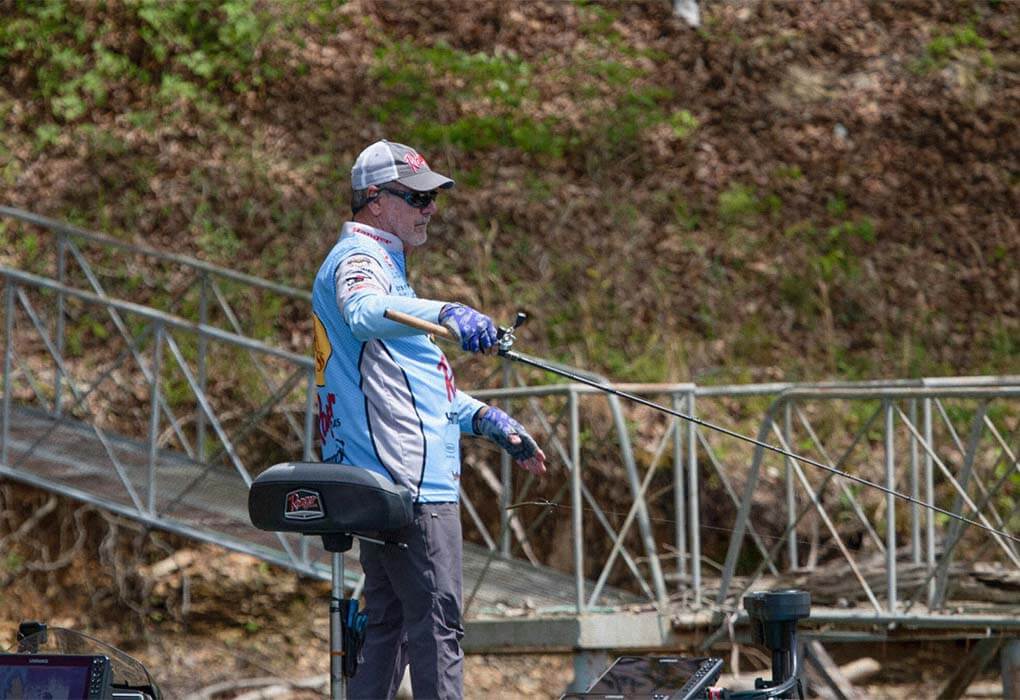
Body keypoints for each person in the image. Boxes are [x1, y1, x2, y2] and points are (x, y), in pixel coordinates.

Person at [312, 139, 547, 699]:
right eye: (415, 198)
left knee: (389, 627)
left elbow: (416, 390)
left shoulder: (390, 270)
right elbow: (363, 312)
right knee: (439, 627)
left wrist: (488, 420)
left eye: (432, 198)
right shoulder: (359, 261)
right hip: (411, 484)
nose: (429, 209)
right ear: (374, 201)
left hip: (391, 479)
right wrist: (446, 312)